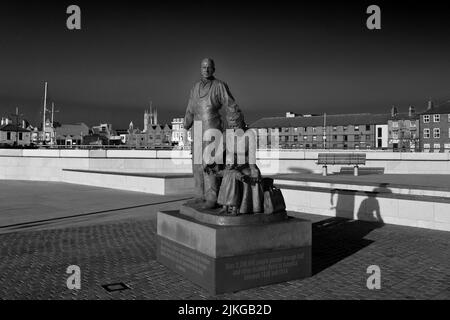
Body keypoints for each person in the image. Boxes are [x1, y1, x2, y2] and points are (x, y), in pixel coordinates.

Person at [183, 58, 246, 209]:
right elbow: (190, 108)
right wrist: (186, 125)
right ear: (200, 68)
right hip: (197, 128)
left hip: (212, 127)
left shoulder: (219, 86)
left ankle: (212, 196)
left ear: (213, 69)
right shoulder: (195, 87)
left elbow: (231, 105)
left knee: (210, 162)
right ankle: (199, 195)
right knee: (197, 164)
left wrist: (236, 124)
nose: (206, 69)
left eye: (209, 67)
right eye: (203, 67)